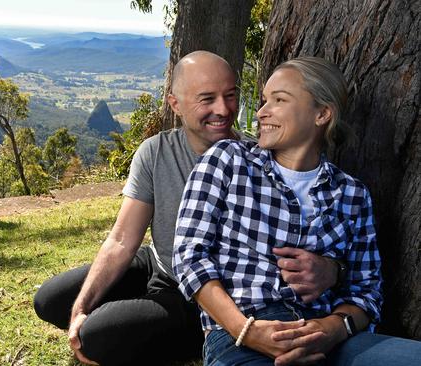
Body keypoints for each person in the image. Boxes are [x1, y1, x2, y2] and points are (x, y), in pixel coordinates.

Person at [33, 51, 340, 365]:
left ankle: (186, 335)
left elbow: (302, 220)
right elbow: (122, 240)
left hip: (204, 291)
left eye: (230, 96)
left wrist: (332, 269)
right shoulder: (157, 151)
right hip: (159, 262)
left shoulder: (258, 157)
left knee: (96, 337)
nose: (223, 110)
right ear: (175, 104)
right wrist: (82, 306)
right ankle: (135, 318)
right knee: (51, 301)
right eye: (207, 99)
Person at [173, 56, 421, 365]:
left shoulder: (352, 195)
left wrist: (332, 328)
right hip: (242, 338)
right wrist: (246, 330)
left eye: (279, 100)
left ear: (321, 114)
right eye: (264, 100)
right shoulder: (227, 160)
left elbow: (367, 292)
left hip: (330, 339)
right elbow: (189, 258)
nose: (262, 112)